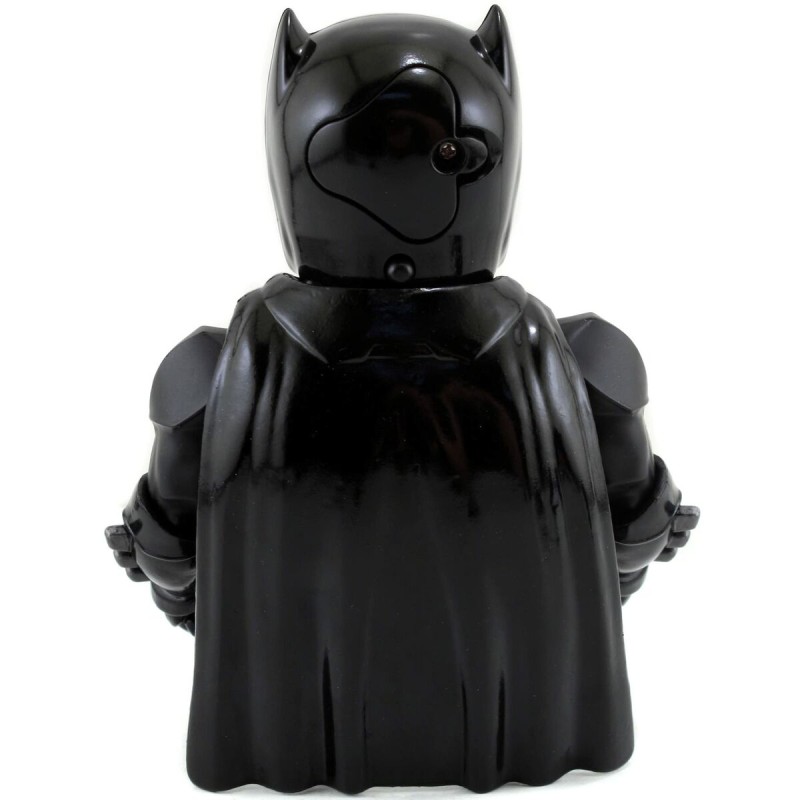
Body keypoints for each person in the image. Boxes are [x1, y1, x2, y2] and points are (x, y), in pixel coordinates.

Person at [106, 6, 699, 792]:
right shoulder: (581, 359)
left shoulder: (218, 368)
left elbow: (172, 564)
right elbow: (628, 545)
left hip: (293, 740)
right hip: (528, 737)